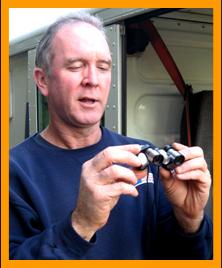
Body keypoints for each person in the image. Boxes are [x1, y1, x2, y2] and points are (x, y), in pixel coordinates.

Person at [9, 12, 212, 260]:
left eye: (103, 67)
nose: (92, 80)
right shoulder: (14, 173)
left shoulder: (142, 156)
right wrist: (80, 224)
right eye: (75, 66)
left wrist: (190, 222)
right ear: (42, 81)